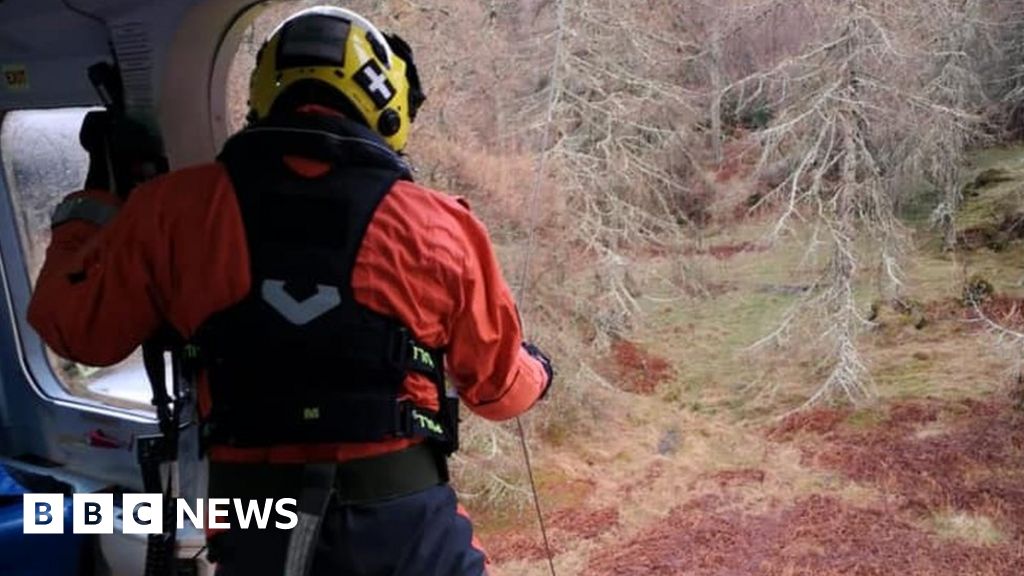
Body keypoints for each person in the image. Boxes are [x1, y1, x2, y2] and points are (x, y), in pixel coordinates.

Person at [27, 7, 553, 575]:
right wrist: (539, 370)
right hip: (400, 522)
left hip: (253, 518)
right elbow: (499, 394)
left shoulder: (172, 209)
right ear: (386, 104)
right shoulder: (438, 225)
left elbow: (76, 329)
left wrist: (95, 203)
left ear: (263, 94)